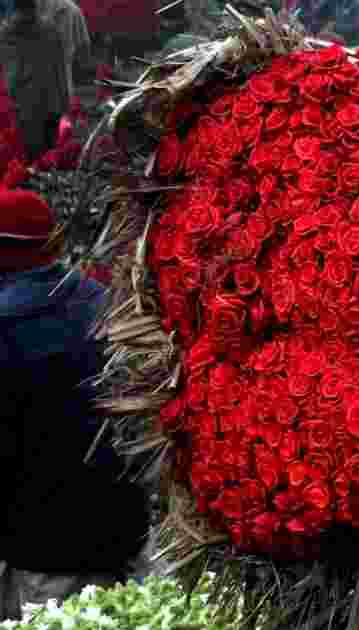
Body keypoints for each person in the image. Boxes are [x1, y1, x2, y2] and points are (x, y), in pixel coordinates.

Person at [0, 191, 150, 621]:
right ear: (54, 245)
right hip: (122, 542)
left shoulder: (6, 326)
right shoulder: (107, 304)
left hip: (41, 556)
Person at [0, 0, 68, 161]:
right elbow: (60, 67)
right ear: (35, 6)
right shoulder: (51, 29)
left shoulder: (6, 33)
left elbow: (10, 75)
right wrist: (64, 99)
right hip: (50, 103)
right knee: (48, 157)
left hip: (24, 106)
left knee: (29, 159)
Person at [37, 0, 90, 99]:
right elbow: (84, 45)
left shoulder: (28, 9)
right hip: (63, 81)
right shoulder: (73, 9)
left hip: (33, 81)